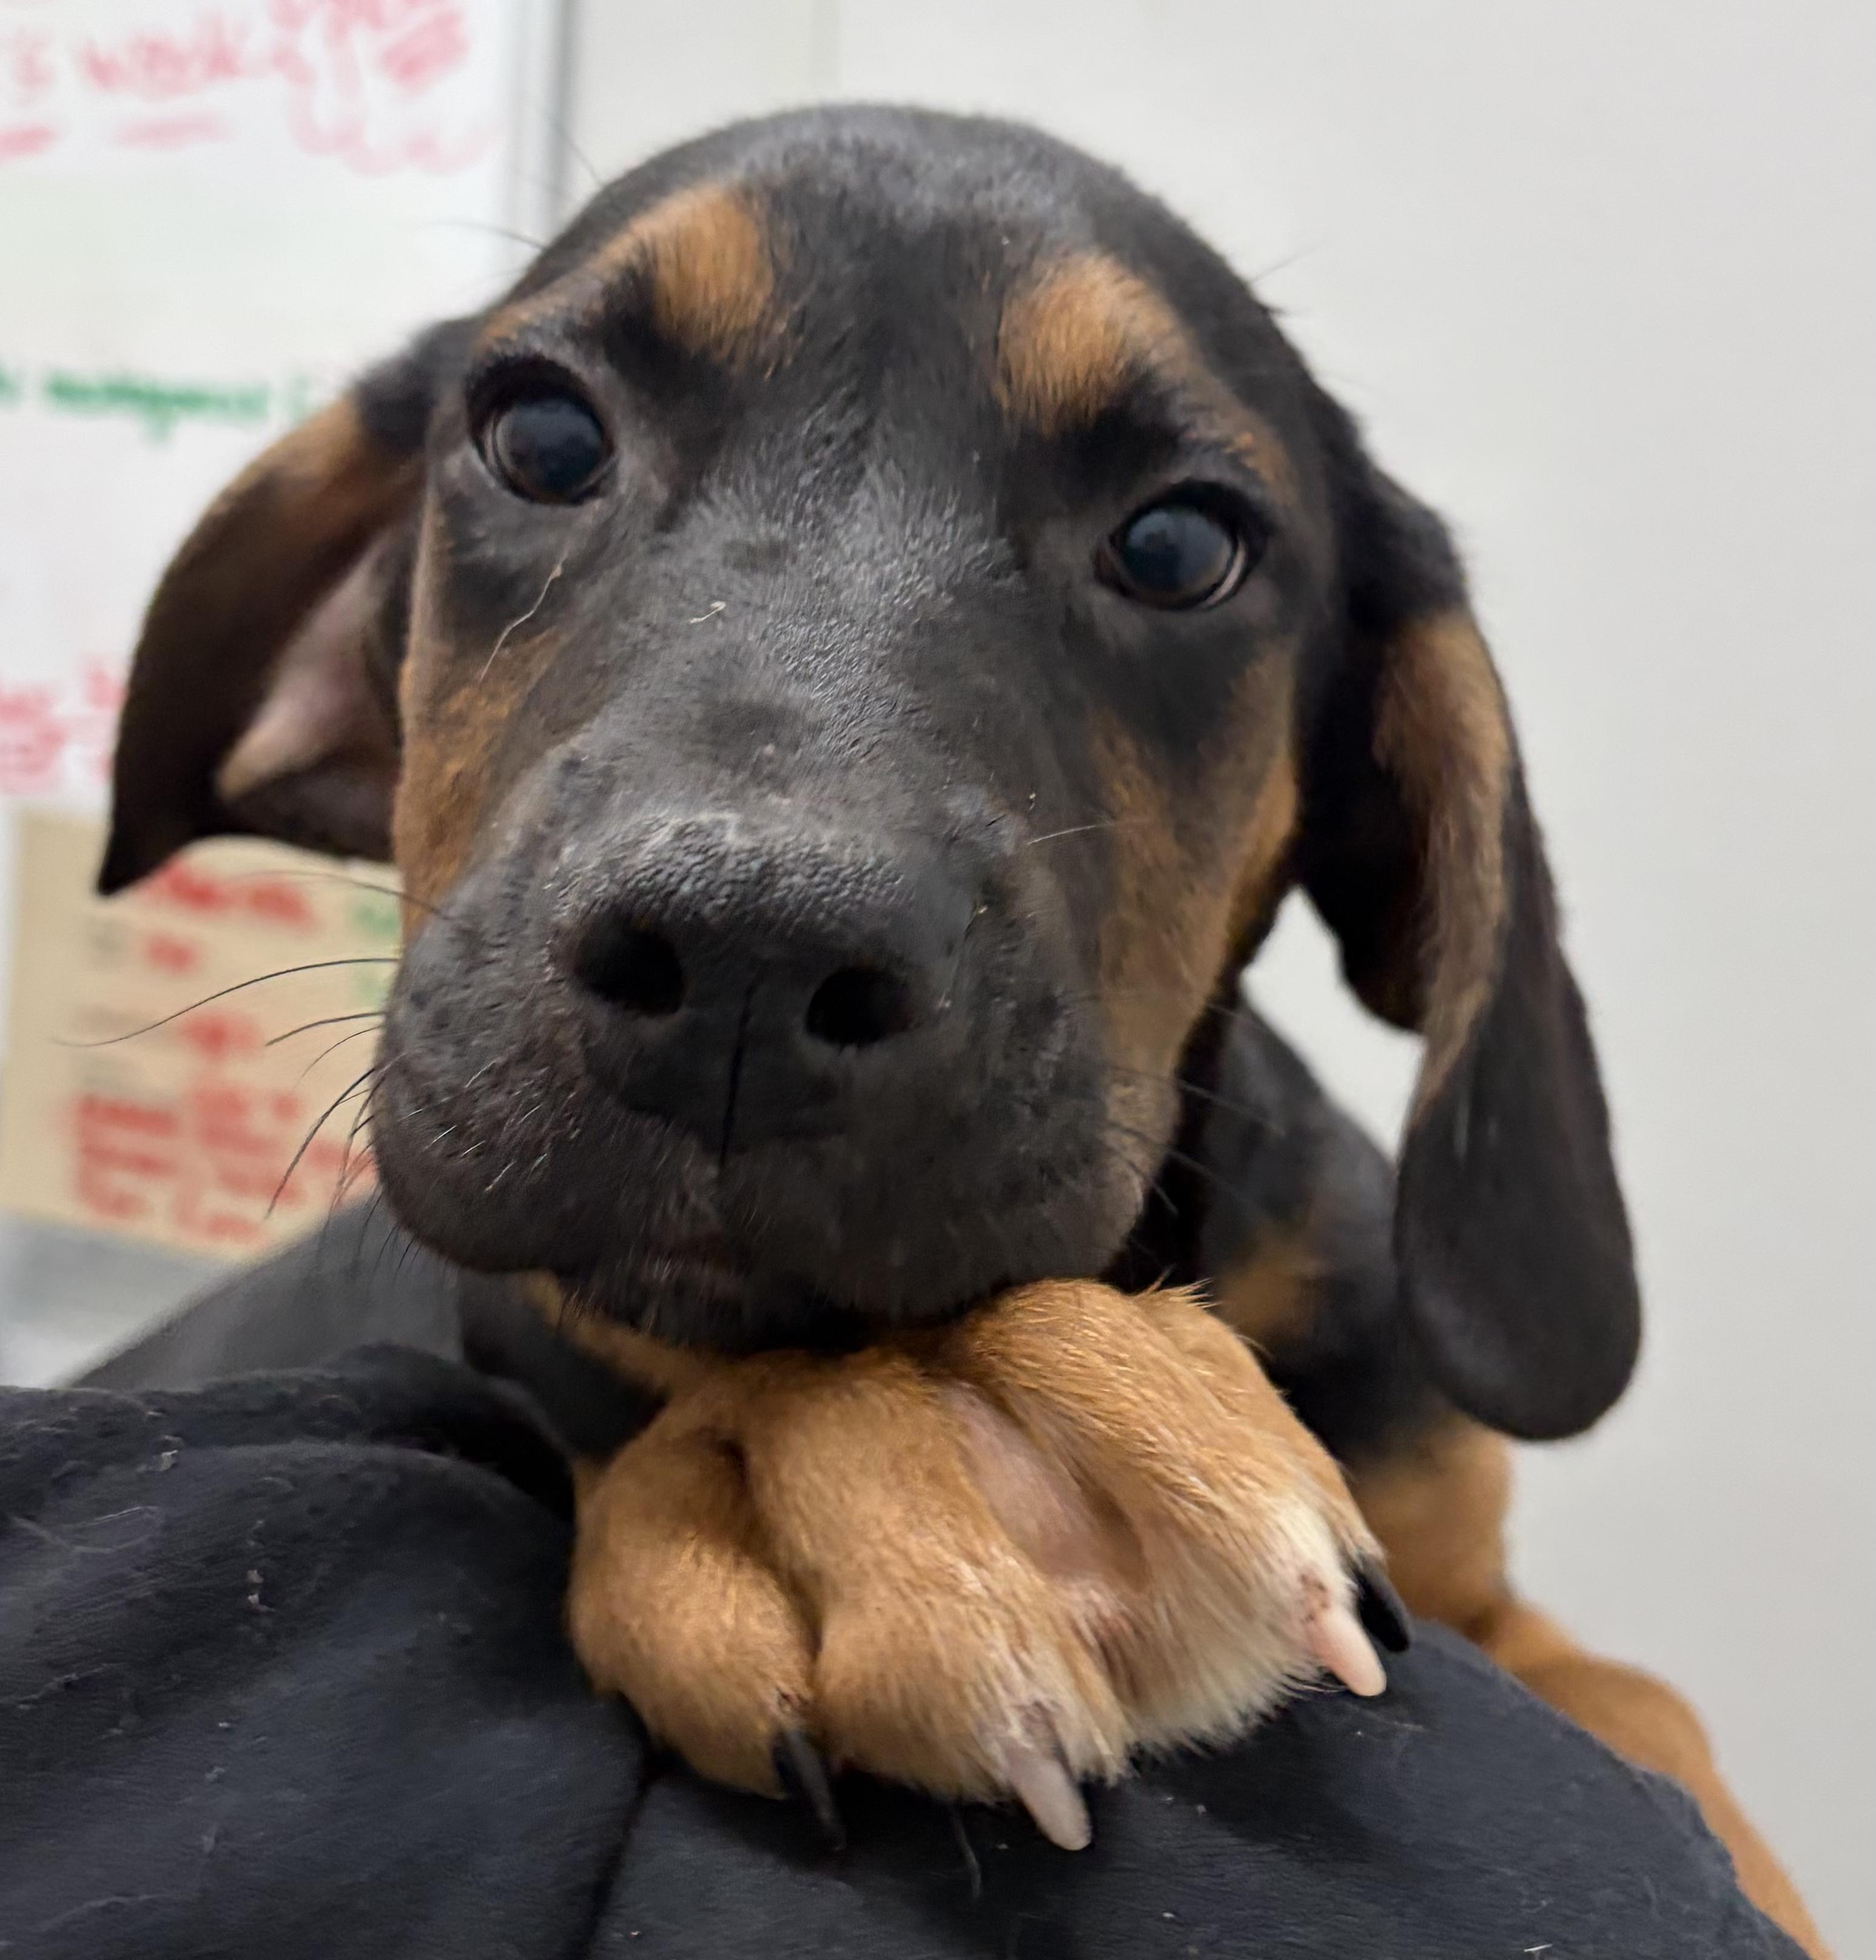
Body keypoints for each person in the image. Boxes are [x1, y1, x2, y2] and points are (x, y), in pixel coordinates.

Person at [0, 1207, 1803, 1959]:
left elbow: (1479, 1625)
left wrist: (1635, 1734)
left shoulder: (1329, 1286)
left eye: (1175, 551)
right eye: (548, 458)